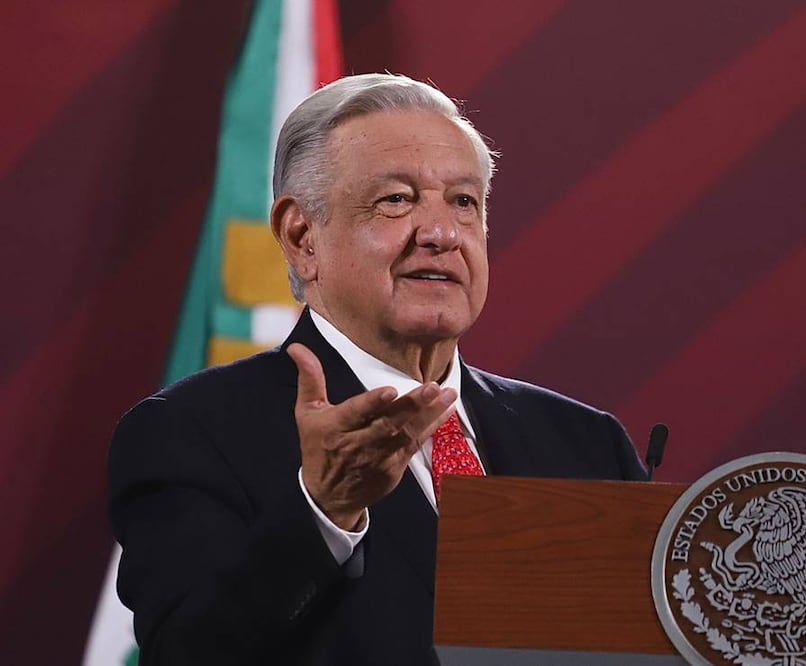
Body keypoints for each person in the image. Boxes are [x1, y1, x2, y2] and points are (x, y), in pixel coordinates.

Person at [108, 73, 646, 666]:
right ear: (301, 236)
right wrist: (322, 510)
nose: (441, 233)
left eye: (464, 202)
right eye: (397, 199)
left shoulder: (588, 443)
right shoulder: (191, 434)